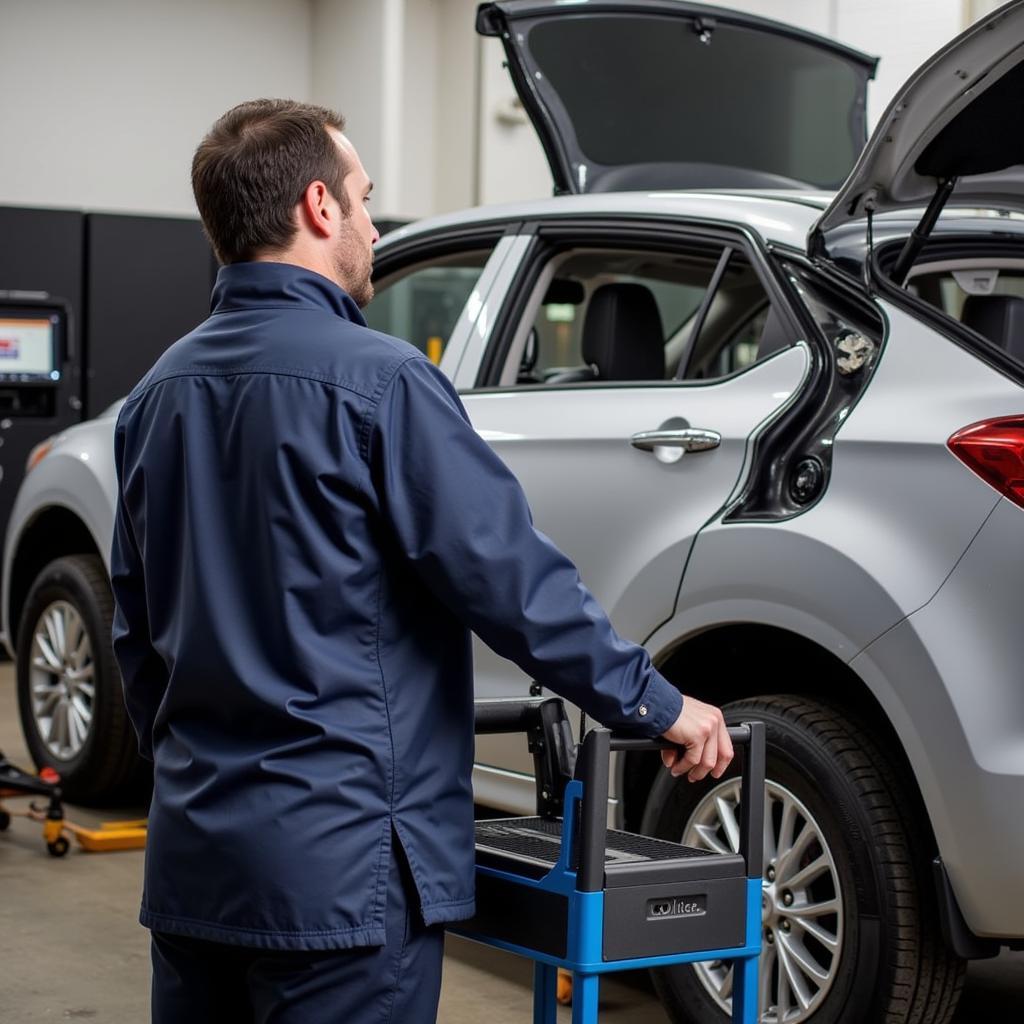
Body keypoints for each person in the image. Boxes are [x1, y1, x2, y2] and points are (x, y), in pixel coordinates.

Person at [110, 98, 734, 1024]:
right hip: (344, 881)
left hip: (199, 868)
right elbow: (511, 583)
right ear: (318, 208)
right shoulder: (384, 383)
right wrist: (657, 702)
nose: (372, 223)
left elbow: (138, 639)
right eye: (365, 199)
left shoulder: (153, 398)